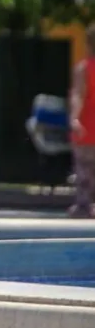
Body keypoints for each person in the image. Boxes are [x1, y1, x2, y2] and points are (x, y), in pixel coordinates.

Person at [69, 23, 95, 218]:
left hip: (87, 127)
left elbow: (78, 94)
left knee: (84, 168)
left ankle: (84, 204)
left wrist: (74, 118)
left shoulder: (84, 68)